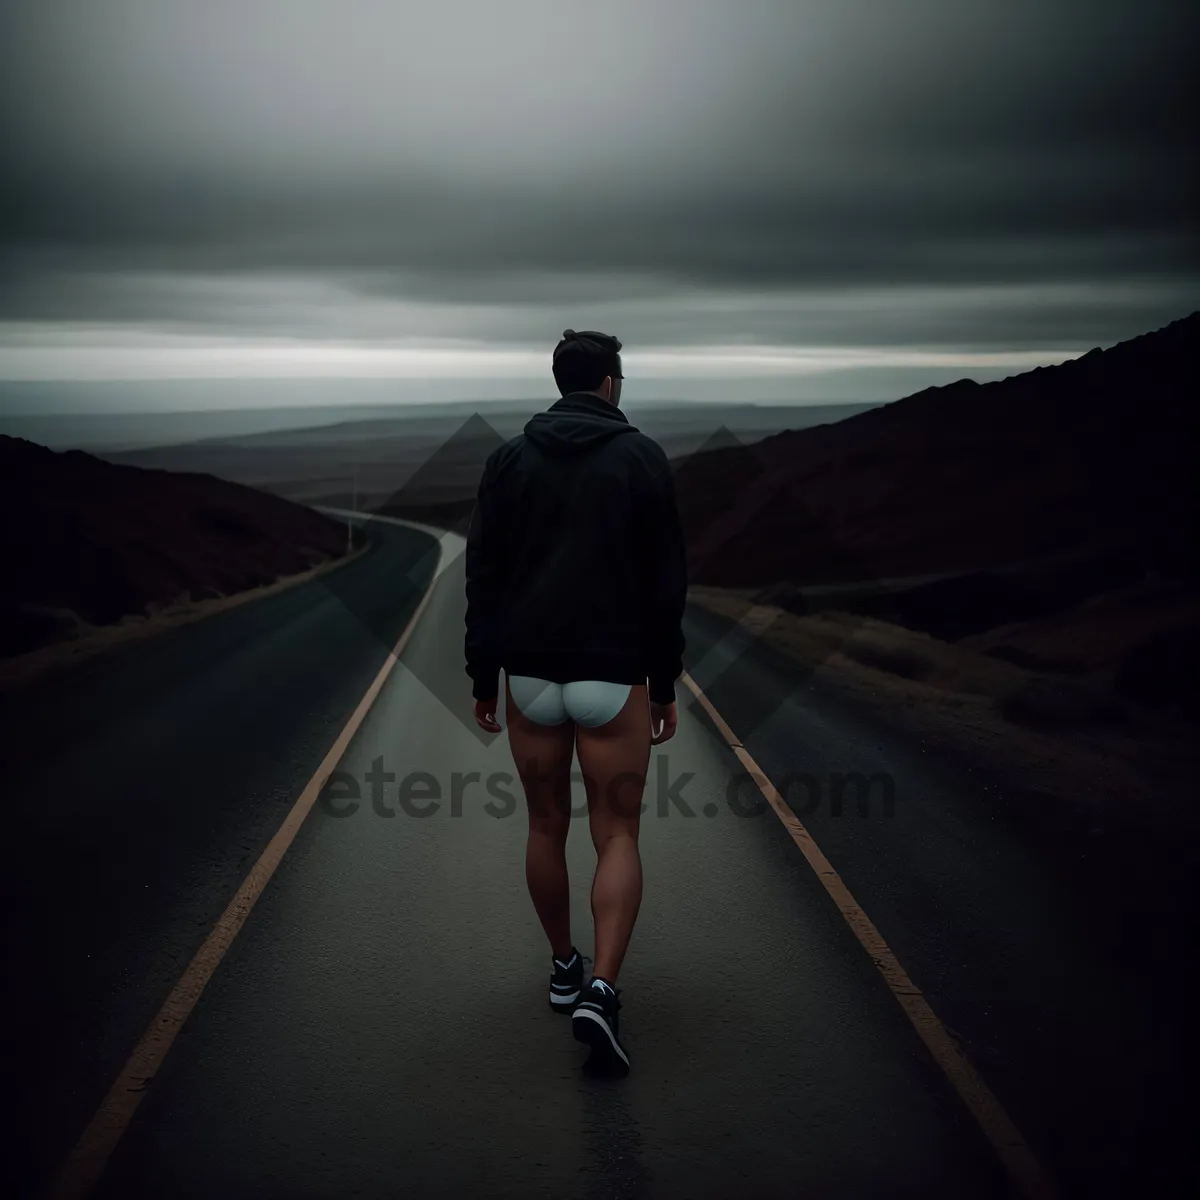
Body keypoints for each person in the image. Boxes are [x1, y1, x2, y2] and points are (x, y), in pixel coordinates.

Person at [464, 329, 688, 1075]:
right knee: (617, 832)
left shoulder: (508, 460)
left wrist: (481, 676)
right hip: (611, 673)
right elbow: (665, 586)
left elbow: (485, 577)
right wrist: (663, 685)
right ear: (611, 383)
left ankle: (563, 965)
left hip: (530, 675)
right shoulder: (641, 458)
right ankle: (601, 988)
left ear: (561, 380)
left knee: (544, 825)